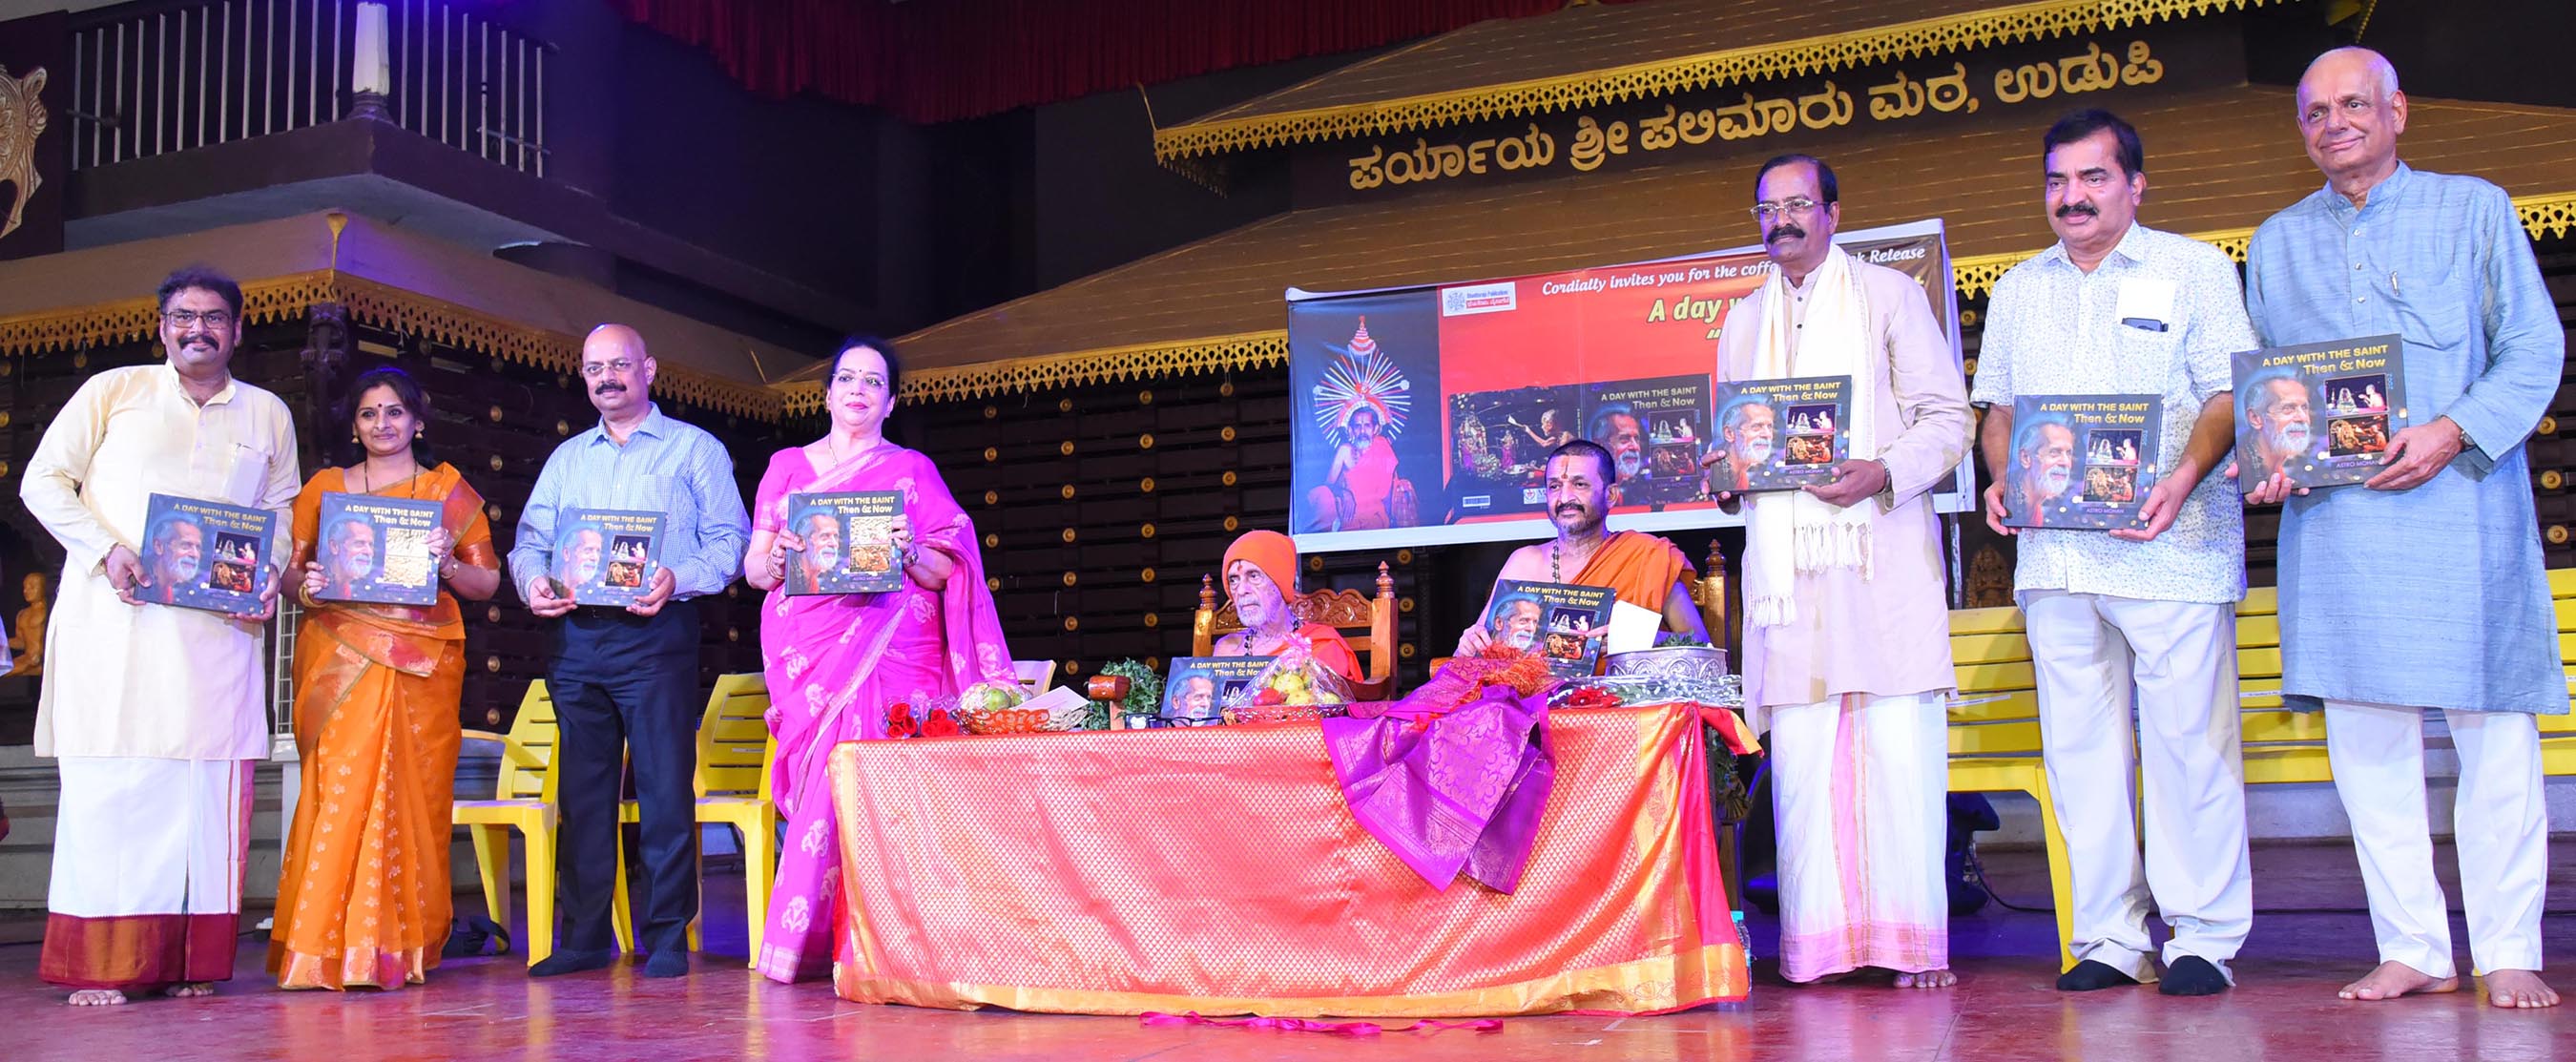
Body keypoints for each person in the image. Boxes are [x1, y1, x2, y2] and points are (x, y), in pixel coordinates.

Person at [2243, 47, 2563, 1010]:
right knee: (2367, 747)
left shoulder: (2475, 209)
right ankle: (2414, 945)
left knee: (2493, 737)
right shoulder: (2276, 242)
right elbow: (2267, 385)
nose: (2334, 123)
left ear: (2398, 112)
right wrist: (2270, 455)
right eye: (2315, 112)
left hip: (2463, 509)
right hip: (2340, 526)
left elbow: (2533, 346)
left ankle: (2509, 947)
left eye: (2353, 104)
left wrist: (2453, 429)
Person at [1973, 110, 2257, 997]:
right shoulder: (2018, 288)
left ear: (2135, 184)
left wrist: (2183, 476)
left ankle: (2203, 936)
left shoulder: (2195, 269)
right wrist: (2002, 476)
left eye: (2093, 178)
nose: (2073, 197)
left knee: (2189, 746)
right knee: (2081, 753)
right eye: (2057, 180)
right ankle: (2109, 935)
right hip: (2057, 560)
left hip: (2173, 545)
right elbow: (2000, 413)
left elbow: (2228, 396)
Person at [1710, 154, 1969, 989]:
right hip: (1788, 578)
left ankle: (1912, 944)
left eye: (1797, 204)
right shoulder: (1741, 322)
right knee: (1806, 760)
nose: (1780, 220)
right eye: (1766, 208)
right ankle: (1818, 946)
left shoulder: (1889, 297)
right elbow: (1737, 447)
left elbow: (1948, 419)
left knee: (1897, 746)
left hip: (1876, 551)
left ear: (1832, 212)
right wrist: (1726, 479)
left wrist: (1884, 471)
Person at [21, 266, 297, 1006]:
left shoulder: (267, 413)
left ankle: (186, 961)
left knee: (200, 797)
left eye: (213, 317)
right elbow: (41, 481)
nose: (197, 328)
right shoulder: (114, 391)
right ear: (162, 327)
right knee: (116, 790)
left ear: (237, 330)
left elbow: (280, 510)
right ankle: (101, 965)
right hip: (120, 628)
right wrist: (103, 548)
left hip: (217, 637)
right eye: (183, 316)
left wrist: (269, 569)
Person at [741, 335, 1017, 983]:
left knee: (890, 789)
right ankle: (817, 941)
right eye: (846, 378)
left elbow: (948, 567)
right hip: (810, 649)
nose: (858, 390)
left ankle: (889, 947)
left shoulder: (912, 470)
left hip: (897, 645)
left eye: (872, 381)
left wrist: (908, 548)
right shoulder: (786, 466)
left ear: (890, 401)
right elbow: (755, 570)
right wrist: (777, 556)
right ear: (827, 394)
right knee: (826, 780)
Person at [508, 323, 750, 980]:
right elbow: (530, 542)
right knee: (583, 792)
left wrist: (679, 575)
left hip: (655, 631)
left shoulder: (694, 449)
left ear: (649, 369)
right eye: (594, 368)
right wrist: (533, 582)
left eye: (619, 364)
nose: (607, 378)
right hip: (577, 636)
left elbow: (731, 541)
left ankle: (667, 934)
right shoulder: (567, 459)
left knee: (665, 786)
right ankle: (585, 937)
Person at [267, 365, 499, 990]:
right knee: (342, 789)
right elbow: (291, 575)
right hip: (340, 654)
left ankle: (400, 947)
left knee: (412, 796)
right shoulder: (324, 489)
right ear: (354, 426)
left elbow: (486, 582)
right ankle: (325, 947)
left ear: (417, 421)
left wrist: (447, 563)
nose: (382, 423)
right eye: (368, 413)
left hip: (424, 665)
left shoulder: (446, 490)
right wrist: (309, 586)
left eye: (395, 411)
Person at [1453, 440, 1705, 656]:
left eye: (1580, 484)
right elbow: (1475, 653)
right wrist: (1469, 645)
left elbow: (1701, 646)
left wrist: (1636, 639)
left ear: (1610, 495)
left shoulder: (1647, 556)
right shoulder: (1524, 561)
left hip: (1621, 697)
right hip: (1533, 697)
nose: (1565, 498)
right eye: (1554, 486)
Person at [1211, 530, 1360, 683]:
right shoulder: (1227, 650)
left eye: (1254, 576)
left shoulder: (1322, 645)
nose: (1242, 590)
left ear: (1280, 583)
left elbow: (1337, 696)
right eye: (1234, 580)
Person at [1310, 406, 1415, 531]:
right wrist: (1345, 493)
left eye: (1367, 426)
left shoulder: (1383, 447)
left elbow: (1390, 489)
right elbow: (1327, 486)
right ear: (1350, 430)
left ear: (1376, 429)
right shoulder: (1344, 451)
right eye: (1357, 426)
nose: (1362, 431)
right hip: (1349, 516)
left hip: (1377, 517)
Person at [2239, 372, 2314, 481]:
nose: (2303, 418)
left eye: (2304, 408)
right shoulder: (2244, 469)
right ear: (2255, 418)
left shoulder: (2279, 472)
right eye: (2288, 408)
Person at [2011, 417, 2078, 523]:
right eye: (2054, 452)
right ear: (2025, 458)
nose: (2066, 462)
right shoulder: (2008, 499)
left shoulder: (2036, 510)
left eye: (2069, 453)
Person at [1709, 396, 1778, 494]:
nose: (1767, 435)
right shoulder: (1715, 473)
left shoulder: (1742, 476)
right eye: (1756, 426)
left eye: (1769, 427)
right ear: (1729, 433)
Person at [315, 515, 379, 598]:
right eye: (359, 543)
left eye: (371, 545)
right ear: (334, 546)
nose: (369, 552)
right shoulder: (318, 579)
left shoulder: (346, 588)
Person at [781, 509, 842, 594]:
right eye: (824, 536)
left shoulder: (813, 582)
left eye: (835, 537)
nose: (834, 543)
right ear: (801, 541)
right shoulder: (791, 575)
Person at [7, 571, 48, 677]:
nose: (26, 591)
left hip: (43, 660)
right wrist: (5, 642)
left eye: (32, 587)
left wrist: (41, 655)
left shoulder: (49, 611)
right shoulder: (22, 614)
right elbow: (21, 642)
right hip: (27, 659)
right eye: (25, 587)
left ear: (44, 588)